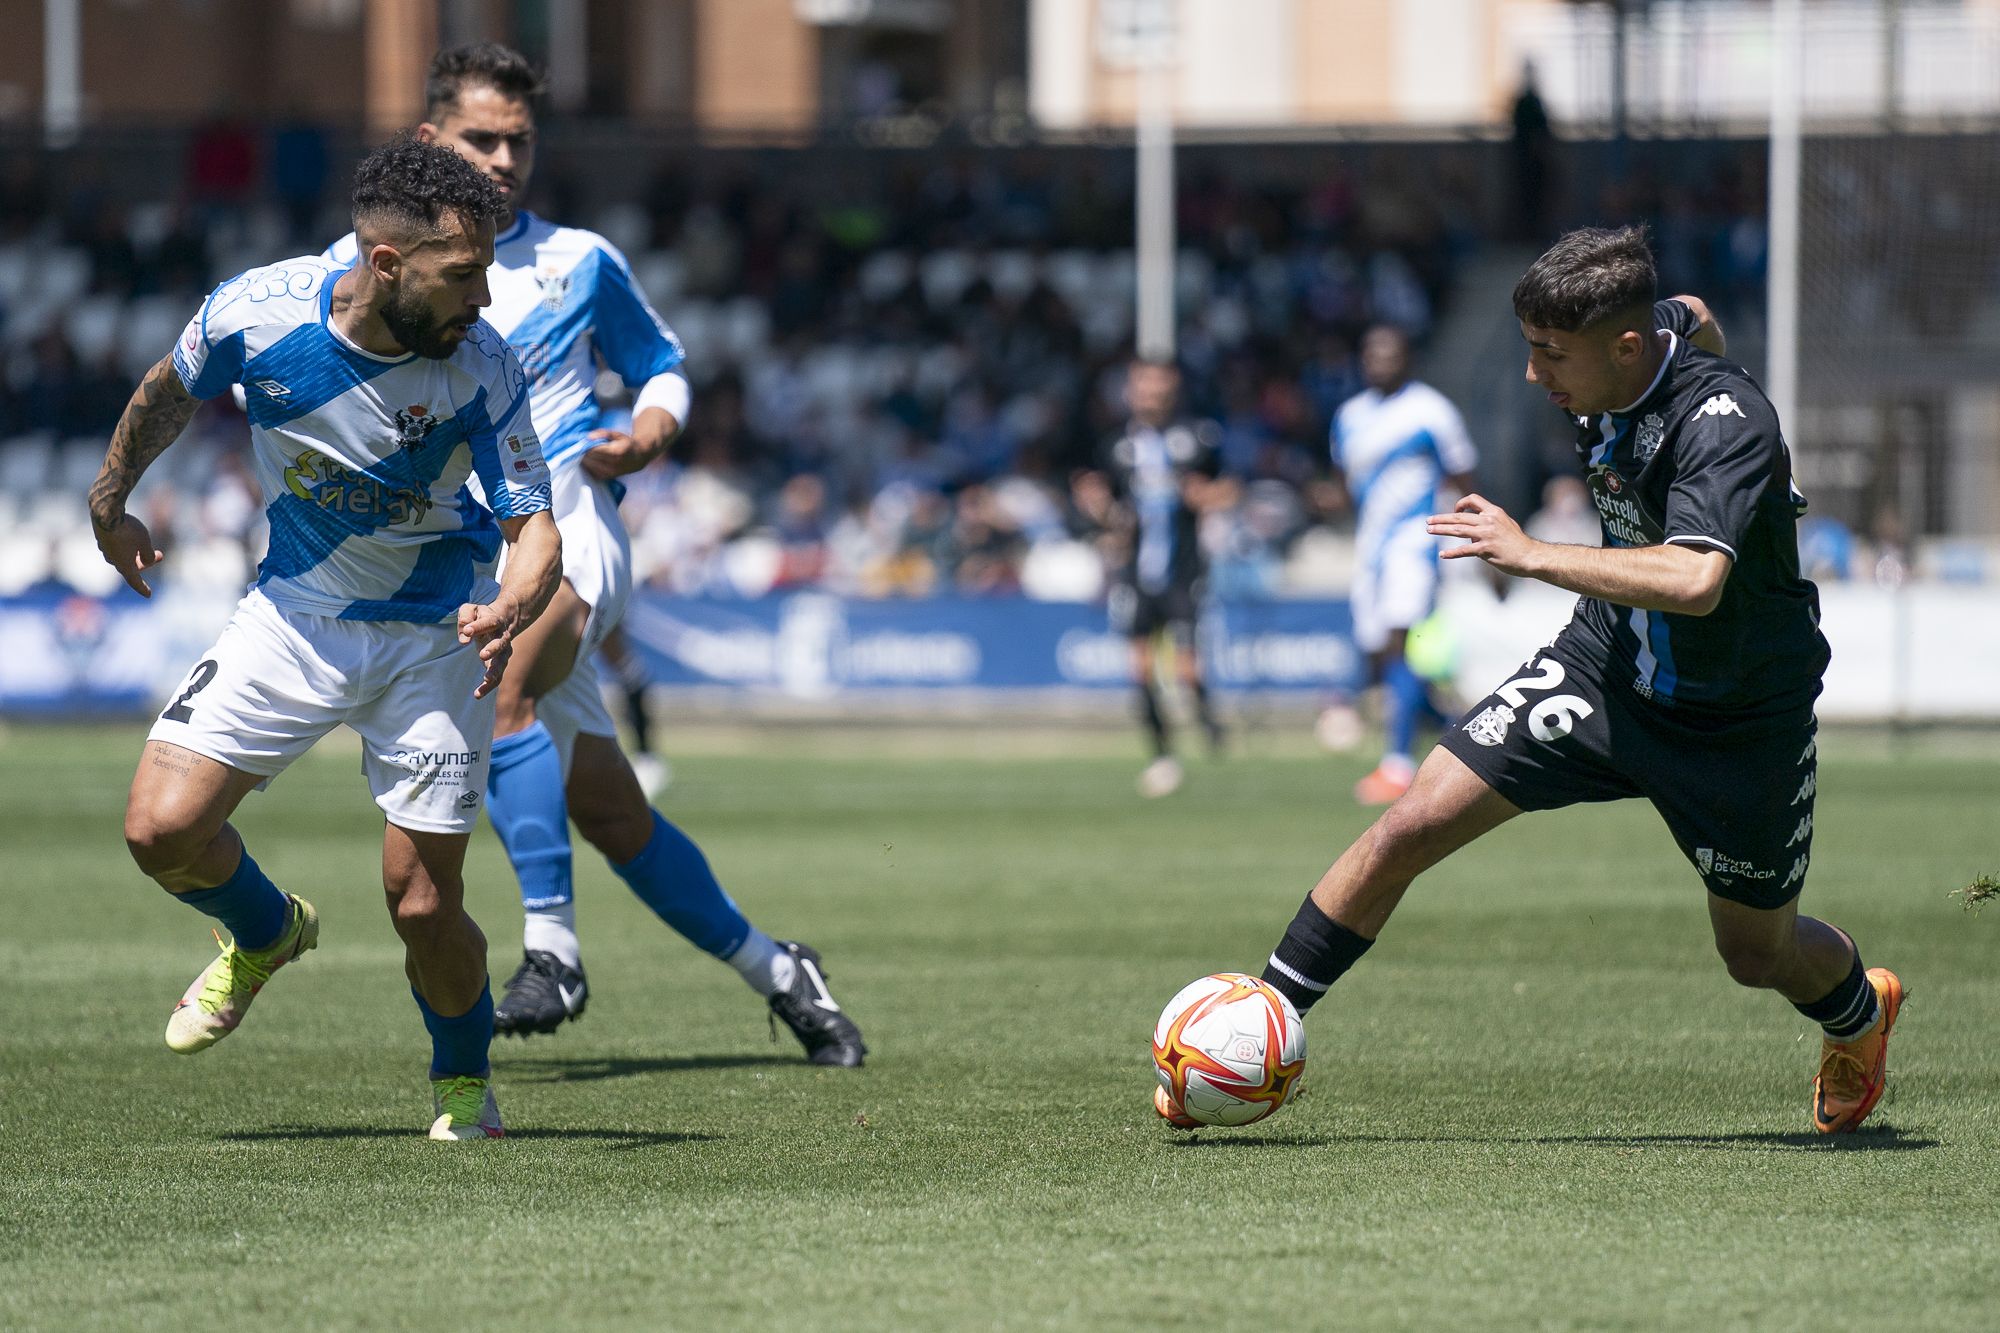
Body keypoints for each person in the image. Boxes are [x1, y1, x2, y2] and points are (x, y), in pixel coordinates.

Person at [1165, 227, 1901, 1136]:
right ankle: (1254, 1029)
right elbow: (1696, 317)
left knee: (1756, 953)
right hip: (1607, 668)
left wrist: (1528, 553)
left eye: (1550, 355)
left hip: (1740, 716)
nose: (1531, 374)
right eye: (1529, 347)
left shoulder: (1727, 425)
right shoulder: (1632, 342)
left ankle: (1858, 1016)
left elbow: (1694, 581)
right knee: (1412, 820)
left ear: (1625, 349)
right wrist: (1691, 345)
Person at [328, 45, 864, 1063]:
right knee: (614, 816)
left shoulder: (579, 260)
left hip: (570, 517)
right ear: (430, 141)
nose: (502, 157)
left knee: (507, 682)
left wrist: (652, 433)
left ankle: (553, 949)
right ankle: (779, 970)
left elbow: (661, 366)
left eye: (518, 140)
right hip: (461, 552)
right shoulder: (367, 268)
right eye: (480, 138)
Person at [92, 136, 561, 1141]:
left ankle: (464, 1091)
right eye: (463, 274)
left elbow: (533, 525)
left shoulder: (481, 365)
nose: (482, 298)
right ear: (388, 263)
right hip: (293, 619)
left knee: (423, 904)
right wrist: (110, 500)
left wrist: (513, 601)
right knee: (158, 831)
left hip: (438, 638)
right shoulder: (255, 315)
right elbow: (166, 391)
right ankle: (265, 932)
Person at [1321, 325, 1478, 804]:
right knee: (1379, 648)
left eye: (1390, 353)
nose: (1380, 361)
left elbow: (1465, 476)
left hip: (1416, 542)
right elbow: (1346, 486)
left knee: (1399, 639)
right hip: (1372, 546)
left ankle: (1396, 764)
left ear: (1409, 358)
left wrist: (1476, 543)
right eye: (1372, 353)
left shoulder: (1431, 410)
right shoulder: (1349, 416)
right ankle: (1463, 733)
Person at [1095, 359, 1231, 799]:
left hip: (1183, 569)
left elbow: (1228, 487)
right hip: (1136, 572)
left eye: (1158, 387)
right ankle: (1162, 755)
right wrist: (1100, 511)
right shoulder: (1117, 446)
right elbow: (1109, 508)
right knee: (1140, 668)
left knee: (1186, 670)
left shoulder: (1197, 437)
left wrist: (1205, 496)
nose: (1150, 395)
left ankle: (1211, 727)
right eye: (1143, 387)